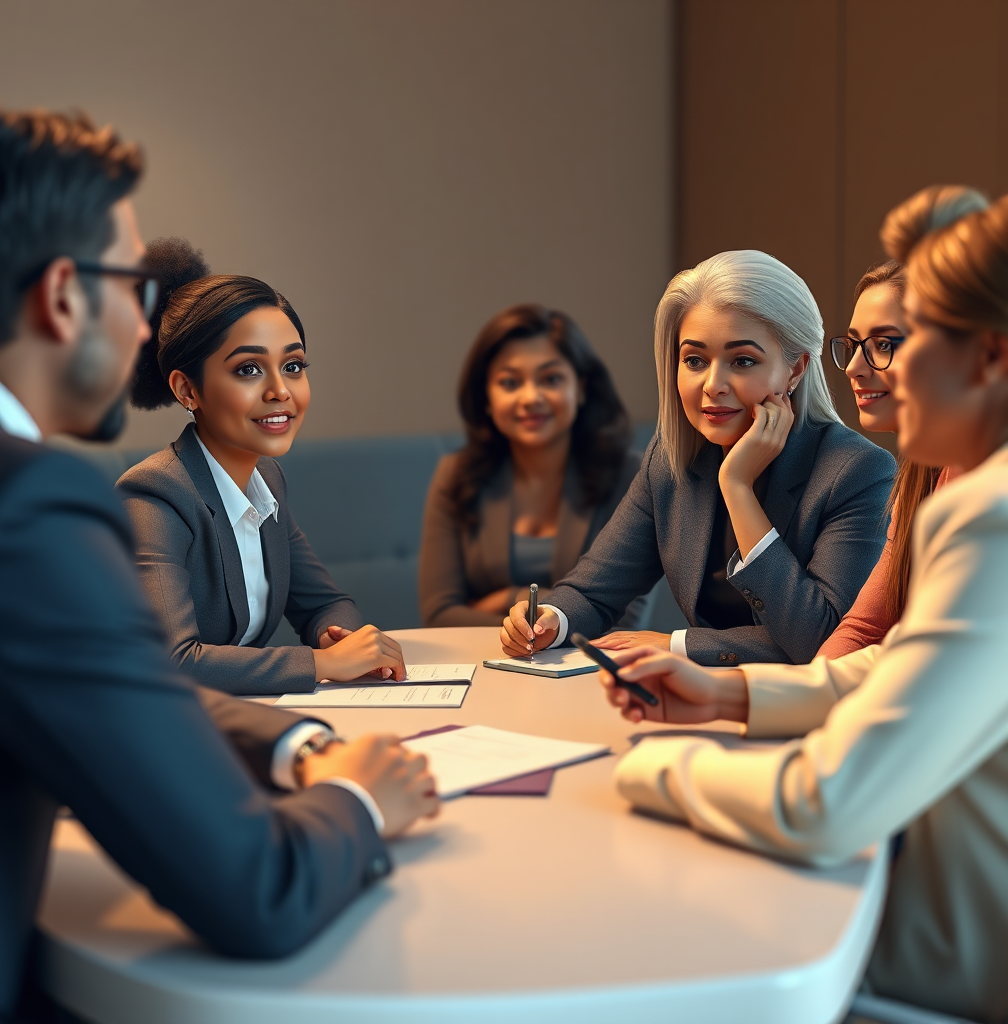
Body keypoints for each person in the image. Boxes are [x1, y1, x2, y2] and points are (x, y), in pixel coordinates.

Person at [0, 107, 437, 1024]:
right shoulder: (34, 508)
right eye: (135, 285)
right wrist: (357, 796)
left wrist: (291, 739)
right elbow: (256, 892)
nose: (147, 325)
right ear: (65, 295)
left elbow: (122, 680)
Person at [601, 189, 1008, 1022]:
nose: (859, 371)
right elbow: (896, 660)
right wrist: (735, 693)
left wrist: (649, 770)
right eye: (856, 344)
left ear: (988, 357)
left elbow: (826, 808)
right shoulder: (961, 491)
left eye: (900, 341)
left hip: (952, 965)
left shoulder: (988, 515)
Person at [501, 250, 896, 666]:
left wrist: (737, 487)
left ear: (795, 370)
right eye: (694, 360)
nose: (713, 385)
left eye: (742, 361)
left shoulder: (858, 471)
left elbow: (822, 641)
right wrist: (551, 620)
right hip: (693, 700)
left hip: (798, 712)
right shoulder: (672, 460)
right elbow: (594, 590)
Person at [116, 239, 406, 696]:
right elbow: (172, 662)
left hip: (245, 722)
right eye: (249, 369)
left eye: (292, 365)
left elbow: (324, 604)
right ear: (187, 389)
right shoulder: (155, 496)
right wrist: (320, 662)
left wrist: (343, 642)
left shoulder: (265, 481)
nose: (280, 391)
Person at [819, 185, 987, 658]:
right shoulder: (920, 470)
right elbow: (865, 629)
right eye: (853, 343)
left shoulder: (982, 476)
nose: (854, 366)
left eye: (884, 343)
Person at [418, 303, 643, 627]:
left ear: (580, 388)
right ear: (487, 397)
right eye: (510, 383)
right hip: (485, 666)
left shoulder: (631, 476)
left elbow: (623, 621)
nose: (530, 397)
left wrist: (508, 600)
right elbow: (439, 616)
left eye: (550, 379)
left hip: (589, 673)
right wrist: (522, 601)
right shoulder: (455, 475)